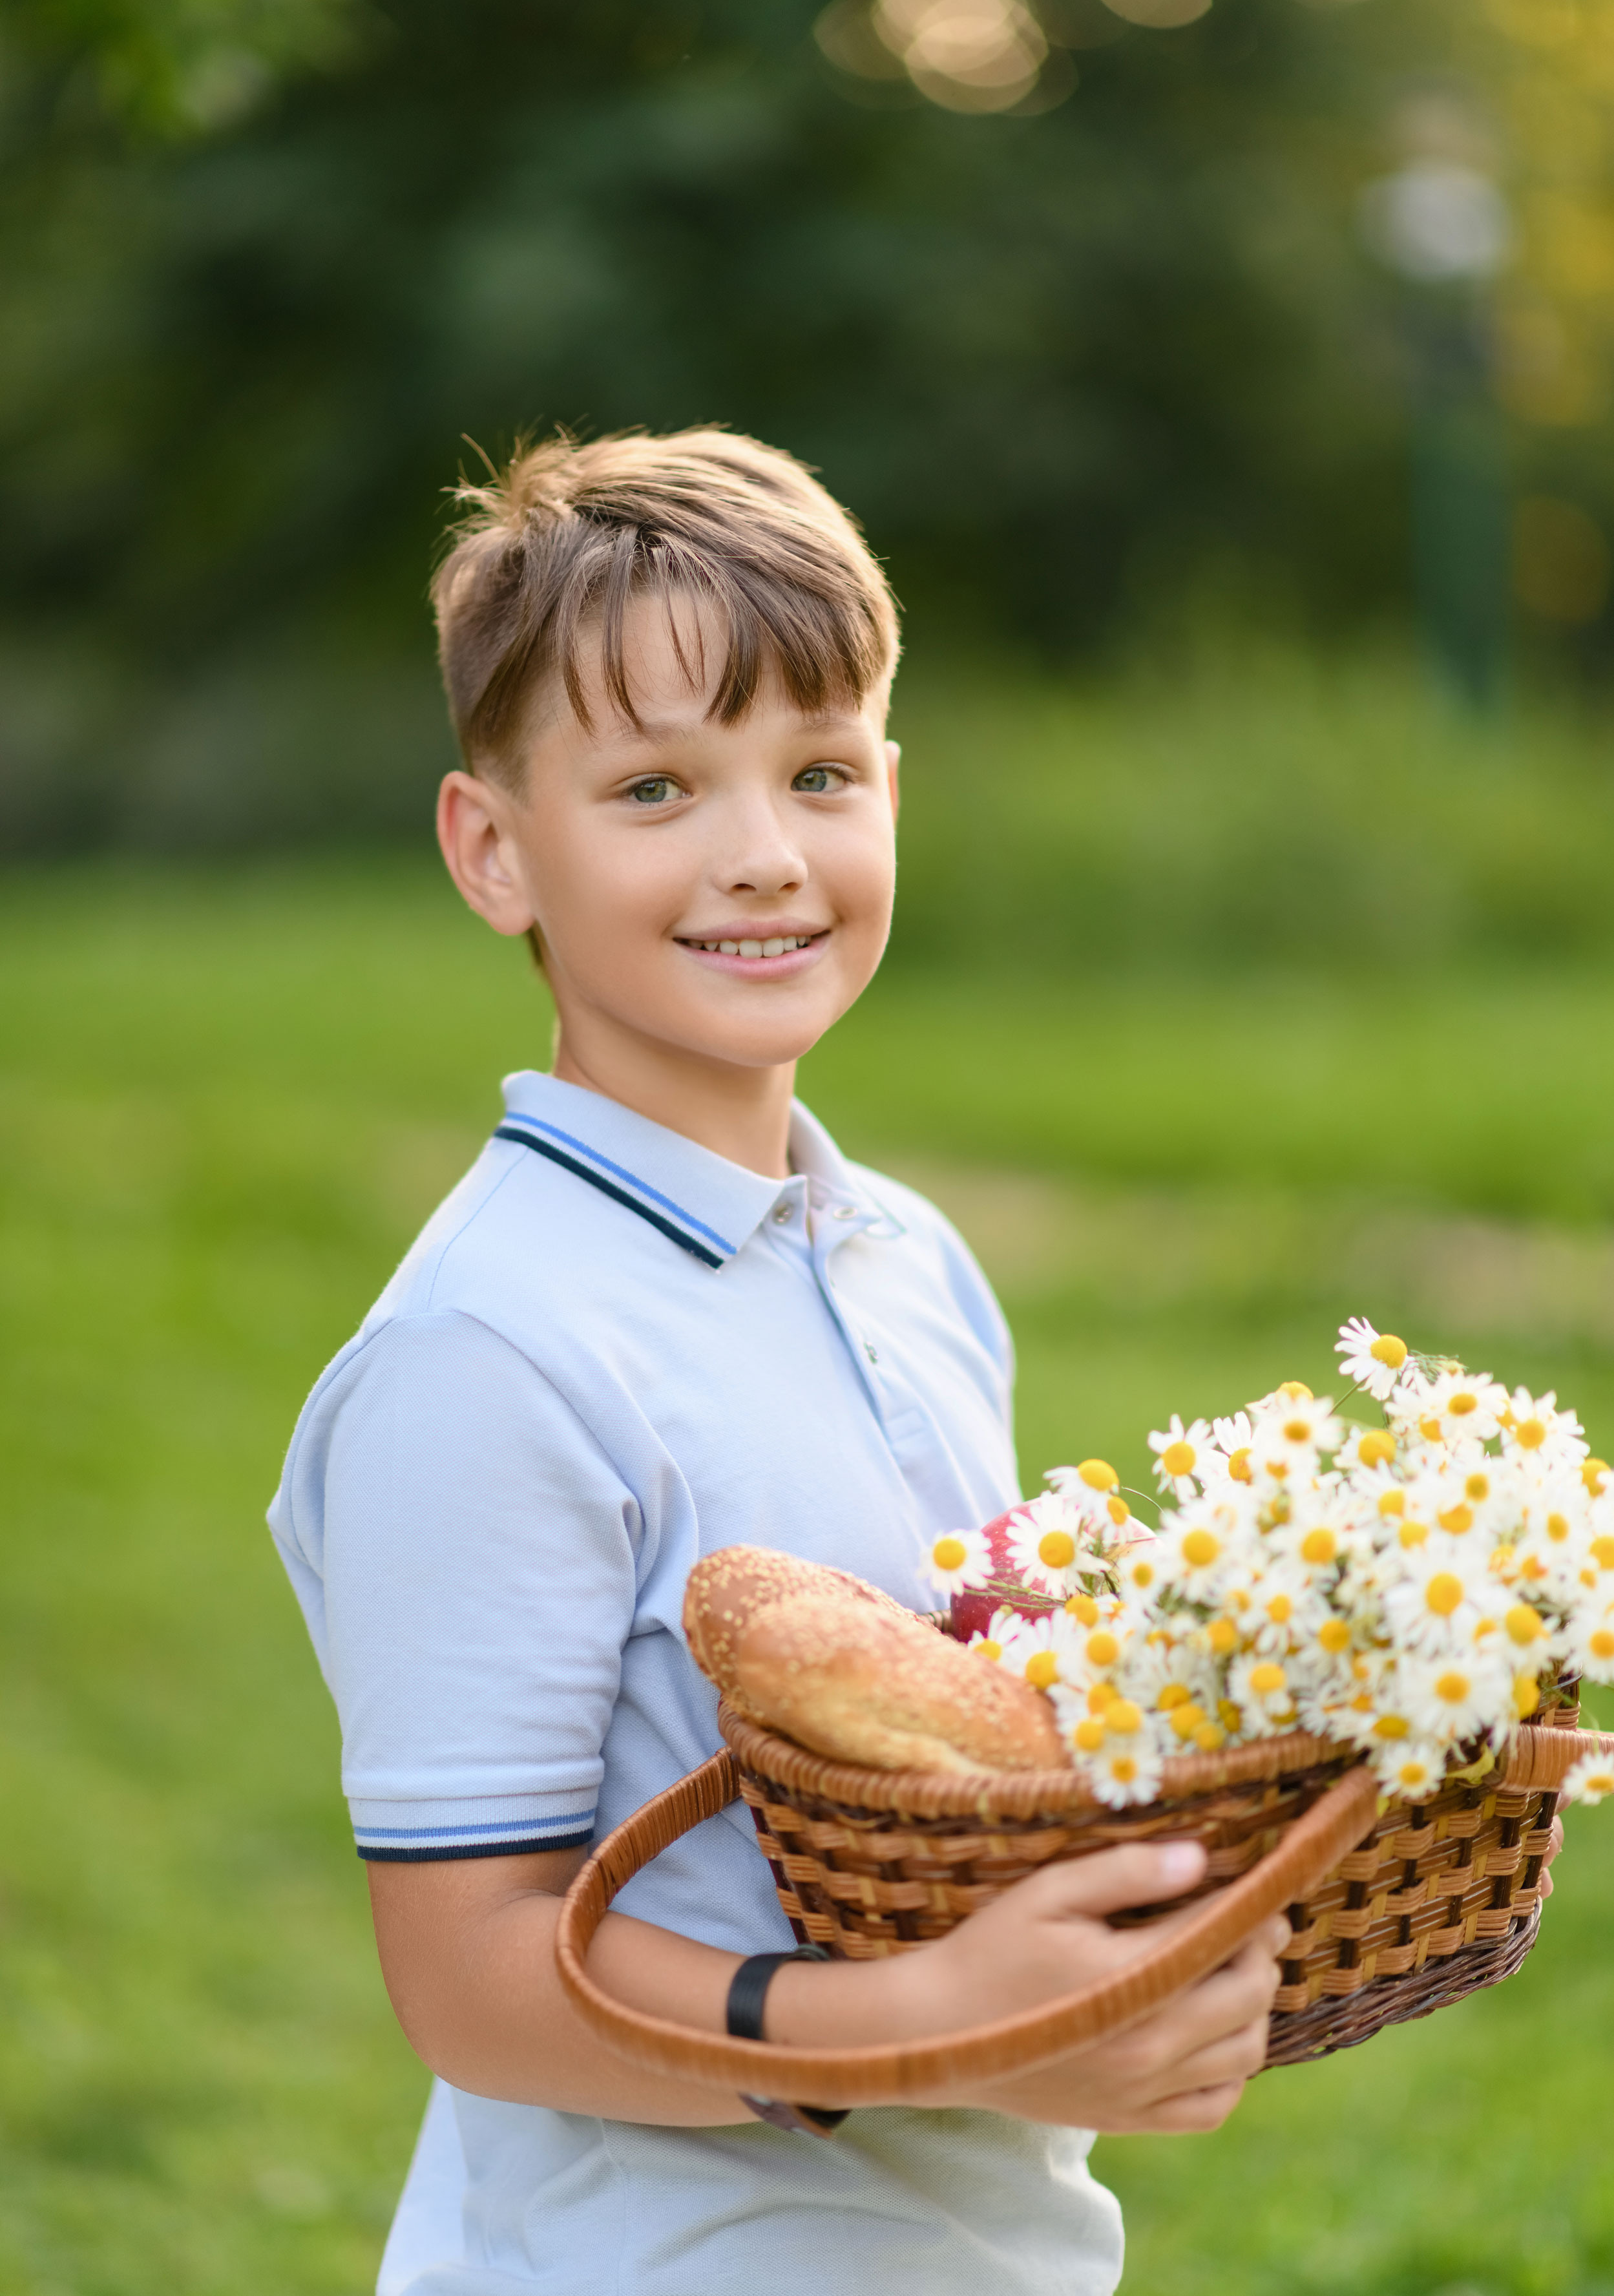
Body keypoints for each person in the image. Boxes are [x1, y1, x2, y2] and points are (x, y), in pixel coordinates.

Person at [267, 428, 1289, 2296]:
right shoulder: (488, 1349)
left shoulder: (907, 1255)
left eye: (818, 772)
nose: (762, 855)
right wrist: (925, 2024)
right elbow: (473, 1975)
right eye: (654, 787)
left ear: (890, 791)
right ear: (495, 849)